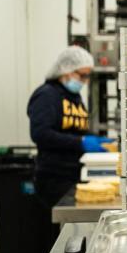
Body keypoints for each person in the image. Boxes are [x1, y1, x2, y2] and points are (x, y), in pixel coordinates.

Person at [27, 45, 113, 209]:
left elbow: (76, 128)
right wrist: (80, 142)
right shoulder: (46, 95)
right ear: (66, 71)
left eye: (88, 76)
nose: (85, 81)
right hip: (54, 177)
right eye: (82, 76)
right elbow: (40, 134)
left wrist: (95, 138)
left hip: (74, 174)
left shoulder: (74, 97)